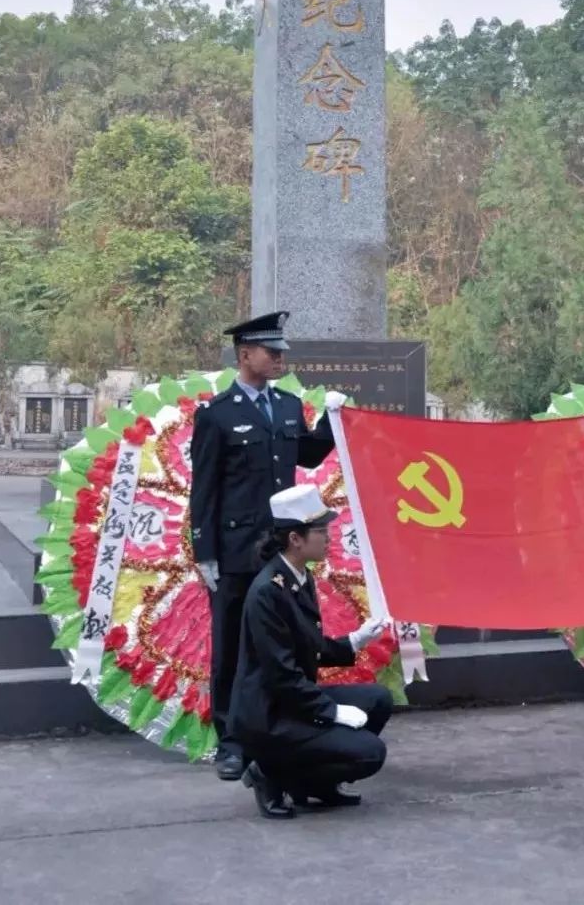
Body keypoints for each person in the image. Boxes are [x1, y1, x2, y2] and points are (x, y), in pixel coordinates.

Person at [190, 311, 336, 780]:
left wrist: (333, 419)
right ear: (244, 354)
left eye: (282, 352)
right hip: (234, 551)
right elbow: (204, 489)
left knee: (287, 641)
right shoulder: (217, 415)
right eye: (271, 351)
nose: (279, 359)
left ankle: (284, 726)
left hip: (281, 551)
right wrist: (205, 552)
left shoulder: (291, 406)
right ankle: (232, 741)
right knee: (231, 646)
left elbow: (309, 454)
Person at [229, 483, 391, 820]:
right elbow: (281, 675)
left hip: (291, 700)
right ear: (295, 539)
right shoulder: (268, 592)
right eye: (320, 531)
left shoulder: (298, 577)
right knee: (370, 754)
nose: (328, 538)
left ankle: (311, 786)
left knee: (377, 701)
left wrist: (355, 640)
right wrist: (331, 712)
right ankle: (270, 773)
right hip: (270, 713)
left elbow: (310, 646)